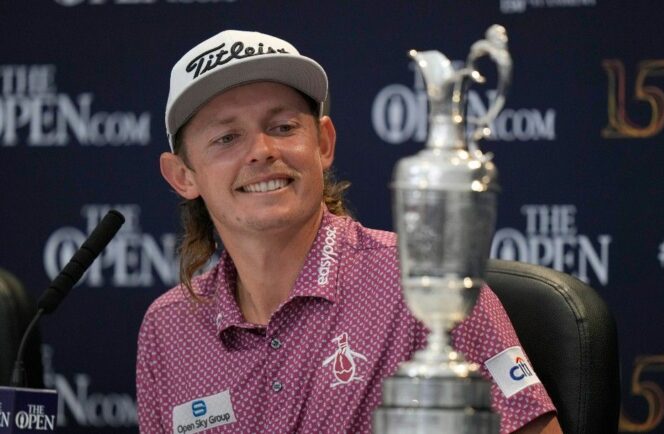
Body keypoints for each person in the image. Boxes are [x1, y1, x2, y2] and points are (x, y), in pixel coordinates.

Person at [136, 29, 562, 433]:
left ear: (323, 143)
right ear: (182, 176)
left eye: (283, 127)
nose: (262, 152)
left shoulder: (422, 287)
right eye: (227, 137)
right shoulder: (168, 327)